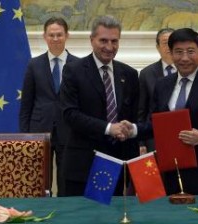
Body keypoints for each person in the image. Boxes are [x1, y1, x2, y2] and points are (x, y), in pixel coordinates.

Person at [125, 28, 198, 195]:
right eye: (178, 52)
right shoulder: (162, 85)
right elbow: (156, 124)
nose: (185, 58)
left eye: (190, 51)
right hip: (169, 170)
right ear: (171, 54)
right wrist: (134, 130)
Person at [59, 15, 140, 196]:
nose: (109, 47)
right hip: (83, 164)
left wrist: (129, 129)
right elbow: (70, 114)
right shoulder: (73, 70)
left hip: (118, 164)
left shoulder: (129, 74)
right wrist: (109, 128)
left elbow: (135, 116)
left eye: (114, 41)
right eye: (103, 40)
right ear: (92, 40)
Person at [19, 17, 79, 197]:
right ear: (45, 37)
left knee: (66, 180)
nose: (55, 38)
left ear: (67, 36)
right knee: (40, 182)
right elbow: (26, 104)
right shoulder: (34, 65)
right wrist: (25, 136)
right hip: (39, 131)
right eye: (51, 35)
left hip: (69, 131)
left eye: (59, 34)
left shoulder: (78, 65)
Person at [138, 28, 175, 154]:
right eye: (165, 43)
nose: (169, 46)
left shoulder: (187, 71)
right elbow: (141, 111)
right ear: (158, 47)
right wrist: (141, 142)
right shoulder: (146, 74)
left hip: (183, 136)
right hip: (153, 138)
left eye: (172, 42)